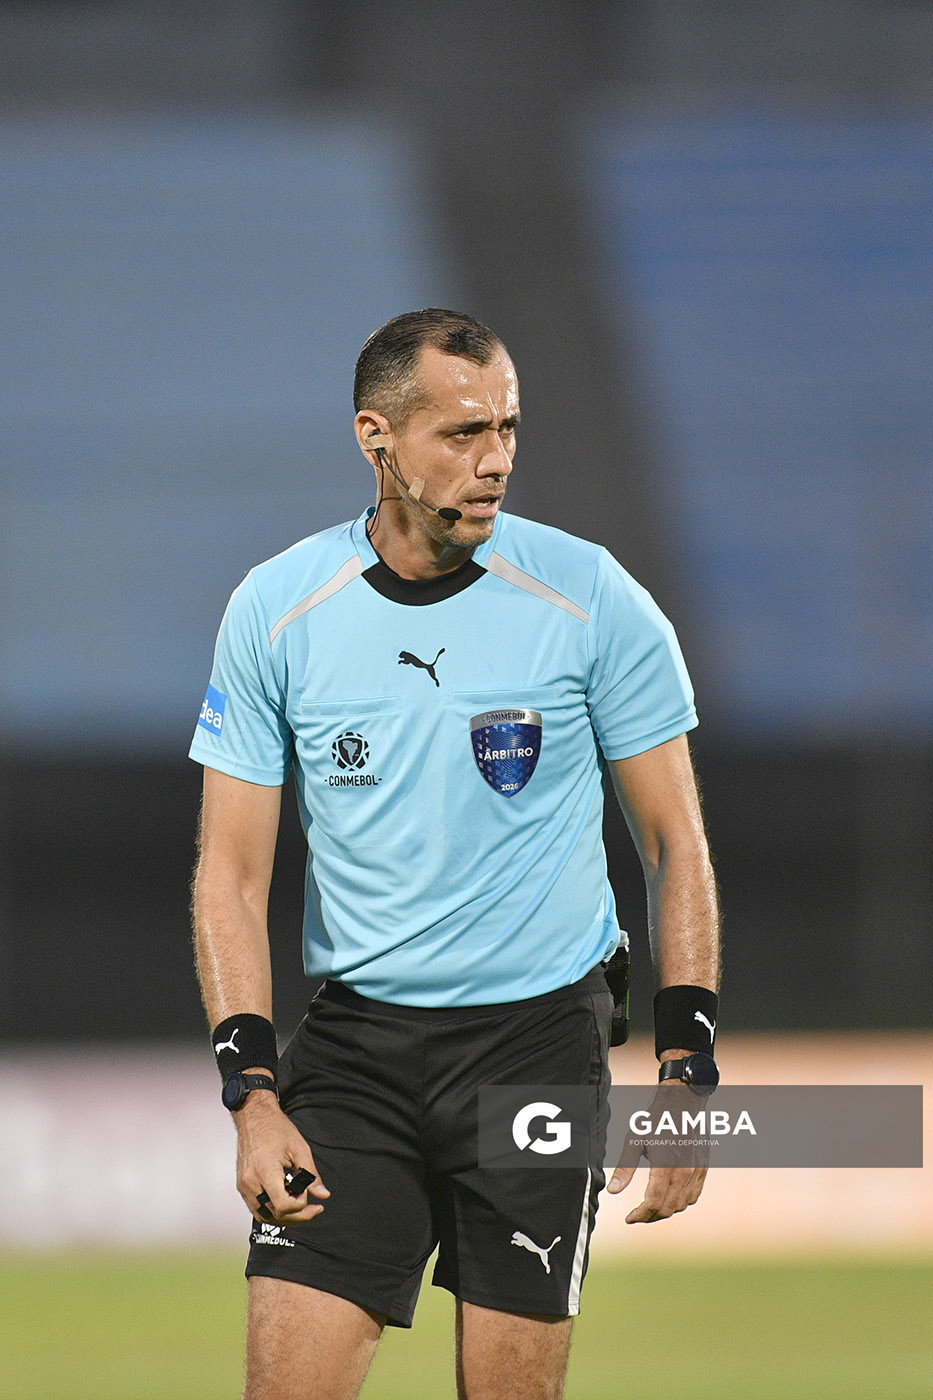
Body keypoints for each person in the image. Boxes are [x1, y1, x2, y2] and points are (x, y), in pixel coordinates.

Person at [190, 308, 721, 1400]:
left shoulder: (591, 600)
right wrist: (251, 1090)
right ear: (375, 437)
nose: (496, 462)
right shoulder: (278, 609)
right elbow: (230, 874)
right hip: (355, 1056)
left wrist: (686, 1071)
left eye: (510, 429)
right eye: (464, 433)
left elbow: (677, 846)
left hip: (535, 1045)